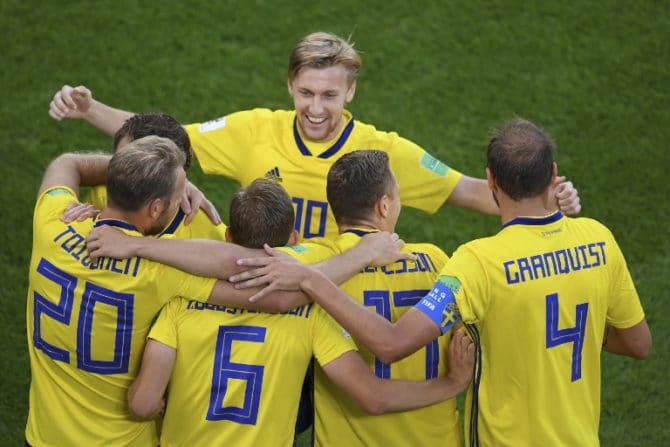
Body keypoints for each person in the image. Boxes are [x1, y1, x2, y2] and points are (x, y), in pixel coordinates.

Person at [236, 118, 652, 446]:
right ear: (553, 173)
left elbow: (391, 342)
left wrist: (311, 278)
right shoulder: (440, 260)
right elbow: (638, 343)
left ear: (490, 180)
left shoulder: (475, 264)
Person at [48, 32, 581, 241]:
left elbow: (469, 190)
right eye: (306, 93)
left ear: (350, 91)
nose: (316, 108)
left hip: (334, 310)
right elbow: (160, 142)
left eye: (329, 95)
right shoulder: (254, 128)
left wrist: (546, 199)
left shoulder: (382, 152)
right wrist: (90, 108)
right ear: (290, 86)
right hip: (259, 297)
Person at [26, 135, 379, 446]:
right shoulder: (161, 272)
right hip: (120, 441)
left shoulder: (52, 221)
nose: (187, 199)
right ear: (155, 207)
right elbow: (275, 289)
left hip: (42, 436)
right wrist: (362, 254)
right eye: (181, 194)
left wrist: (145, 178)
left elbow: (67, 163)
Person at [126, 177, 474, 447]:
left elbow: (142, 405)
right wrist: (451, 384)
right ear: (293, 240)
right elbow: (372, 395)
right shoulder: (313, 315)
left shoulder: (179, 305)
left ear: (228, 236)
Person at [65, 112, 227, 240]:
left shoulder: (207, 230)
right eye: (122, 162)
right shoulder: (102, 195)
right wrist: (85, 224)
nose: (126, 177)